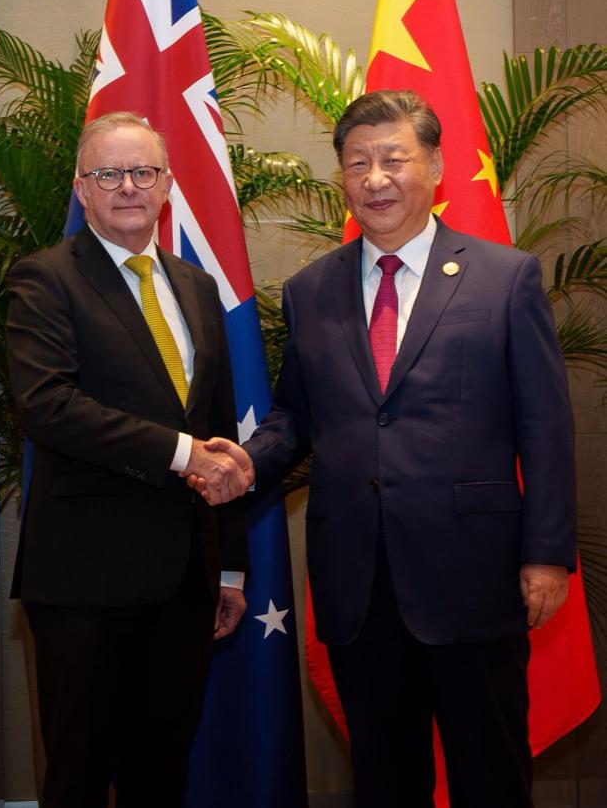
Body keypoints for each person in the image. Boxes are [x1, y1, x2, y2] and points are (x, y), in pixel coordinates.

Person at [193, 90, 576, 808]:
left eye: (394, 159)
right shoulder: (312, 289)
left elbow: (546, 427)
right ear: (342, 176)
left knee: (489, 773)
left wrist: (546, 552)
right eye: (357, 162)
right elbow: (298, 415)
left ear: (434, 166)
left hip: (476, 578)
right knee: (384, 777)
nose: (375, 178)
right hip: (358, 584)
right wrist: (247, 460)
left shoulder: (505, 277)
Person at [6, 111, 253, 808]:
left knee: (160, 775)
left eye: (143, 172)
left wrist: (229, 564)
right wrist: (182, 455)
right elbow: (49, 406)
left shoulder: (196, 287)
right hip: (83, 584)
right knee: (78, 779)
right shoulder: (46, 278)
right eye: (108, 173)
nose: (127, 187)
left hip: (185, 583)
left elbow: (220, 432)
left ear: (167, 185)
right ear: (83, 189)